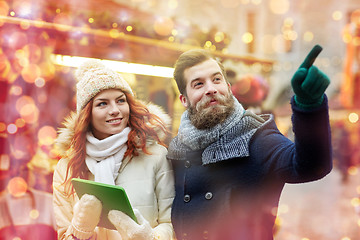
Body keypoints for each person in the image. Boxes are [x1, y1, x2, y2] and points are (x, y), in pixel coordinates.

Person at [166, 45, 332, 240]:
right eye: (198, 84)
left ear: (228, 89)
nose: (211, 89)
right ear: (184, 100)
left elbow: (311, 166)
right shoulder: (177, 150)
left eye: (216, 79)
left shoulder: (256, 136)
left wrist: (309, 107)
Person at [52, 60, 175, 240]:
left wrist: (148, 238)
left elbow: (172, 223)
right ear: (87, 113)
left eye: (121, 101)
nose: (115, 110)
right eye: (102, 104)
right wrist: (80, 228)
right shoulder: (67, 168)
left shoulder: (155, 155)